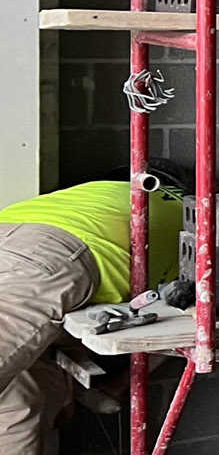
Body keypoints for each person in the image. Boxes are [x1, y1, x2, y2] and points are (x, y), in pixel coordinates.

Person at [0, 171, 186, 454]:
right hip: (47, 254)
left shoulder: (91, 193)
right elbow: (184, 334)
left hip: (15, 241)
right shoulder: (194, 215)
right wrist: (116, 385)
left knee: (17, 402)